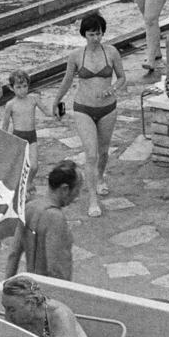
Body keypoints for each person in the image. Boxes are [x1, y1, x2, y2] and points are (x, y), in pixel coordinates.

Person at [53, 13, 125, 214]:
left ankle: (100, 177)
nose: (95, 38)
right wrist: (56, 100)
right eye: (91, 34)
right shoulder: (76, 55)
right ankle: (93, 199)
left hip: (107, 108)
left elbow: (122, 77)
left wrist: (113, 88)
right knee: (91, 155)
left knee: (103, 151)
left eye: (98, 34)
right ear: (84, 34)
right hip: (83, 107)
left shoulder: (111, 52)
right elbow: (67, 80)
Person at [7, 161, 80, 280]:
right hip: (49, 288)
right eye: (77, 190)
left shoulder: (29, 208)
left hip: (32, 285)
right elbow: (56, 270)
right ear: (65, 189)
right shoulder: (56, 218)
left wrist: (7, 286)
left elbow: (13, 254)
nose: (77, 197)